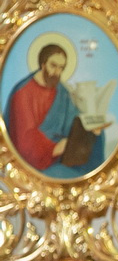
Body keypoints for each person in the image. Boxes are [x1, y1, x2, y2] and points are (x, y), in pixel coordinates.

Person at [4, 43, 106, 174]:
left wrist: (90, 128)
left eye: (61, 68)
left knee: (96, 136)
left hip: (63, 153)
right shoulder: (22, 93)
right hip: (39, 158)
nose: (57, 72)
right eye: (53, 65)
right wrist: (54, 148)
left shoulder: (61, 90)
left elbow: (73, 119)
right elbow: (24, 137)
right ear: (43, 64)